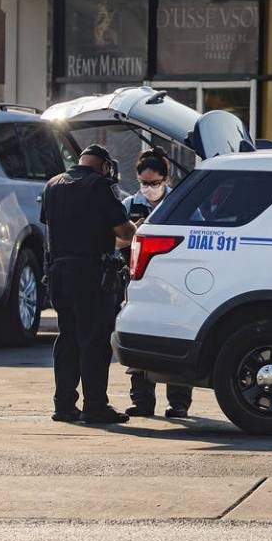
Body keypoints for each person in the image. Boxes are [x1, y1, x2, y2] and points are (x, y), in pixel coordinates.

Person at [41, 143, 136, 425]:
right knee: (94, 340)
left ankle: (64, 405)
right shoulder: (99, 186)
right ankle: (95, 406)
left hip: (59, 271)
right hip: (91, 272)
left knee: (68, 337)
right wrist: (136, 229)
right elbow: (123, 231)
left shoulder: (53, 184)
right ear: (104, 166)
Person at [121, 147, 194, 419]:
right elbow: (115, 239)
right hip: (138, 281)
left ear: (166, 180)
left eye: (154, 183)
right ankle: (142, 401)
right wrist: (134, 232)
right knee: (139, 338)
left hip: (174, 281)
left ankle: (178, 403)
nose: (148, 189)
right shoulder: (129, 205)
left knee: (176, 337)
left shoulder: (180, 203)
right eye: (143, 183)